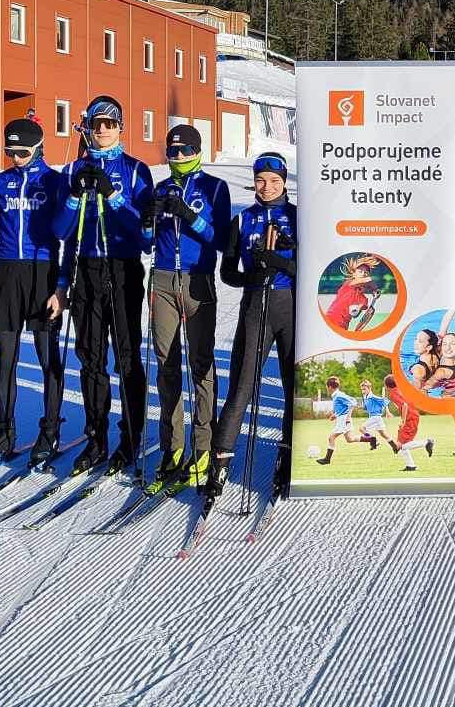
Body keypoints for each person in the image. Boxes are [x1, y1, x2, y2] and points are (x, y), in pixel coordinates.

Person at [62, 96, 155, 475]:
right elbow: (62, 232)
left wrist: (113, 196)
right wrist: (62, 280)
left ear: (121, 128)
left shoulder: (136, 170)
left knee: (128, 355)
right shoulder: (75, 168)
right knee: (90, 357)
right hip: (87, 267)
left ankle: (131, 437)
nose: (102, 131)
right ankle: (95, 438)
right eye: (96, 124)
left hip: (123, 268)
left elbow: (147, 234)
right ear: (87, 127)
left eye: (110, 124)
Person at [0, 117, 73, 468]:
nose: (15, 157)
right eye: (10, 151)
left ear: (38, 147)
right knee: (5, 359)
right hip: (7, 272)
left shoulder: (55, 181)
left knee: (48, 358)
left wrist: (61, 287)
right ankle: (5, 431)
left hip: (43, 271)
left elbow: (68, 238)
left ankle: (50, 430)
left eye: (22, 152)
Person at [145, 123, 231, 490]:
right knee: (166, 365)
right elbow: (146, 243)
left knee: (201, 364)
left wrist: (188, 214)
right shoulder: (160, 187)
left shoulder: (214, 187)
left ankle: (202, 446)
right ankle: (172, 447)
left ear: (198, 151)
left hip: (197, 280)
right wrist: (148, 220)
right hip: (163, 279)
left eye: (185, 151)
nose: (178, 157)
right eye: (173, 151)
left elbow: (223, 238)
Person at [215, 152, 298, 499]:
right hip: (254, 306)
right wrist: (253, 274)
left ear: (284, 183)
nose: (267, 187)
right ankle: (219, 462)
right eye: (261, 181)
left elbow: (313, 268)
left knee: (295, 387)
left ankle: (290, 455)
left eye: (274, 182)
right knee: (241, 386)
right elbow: (227, 272)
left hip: (290, 307)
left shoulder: (298, 217)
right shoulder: (242, 219)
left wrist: (281, 261)